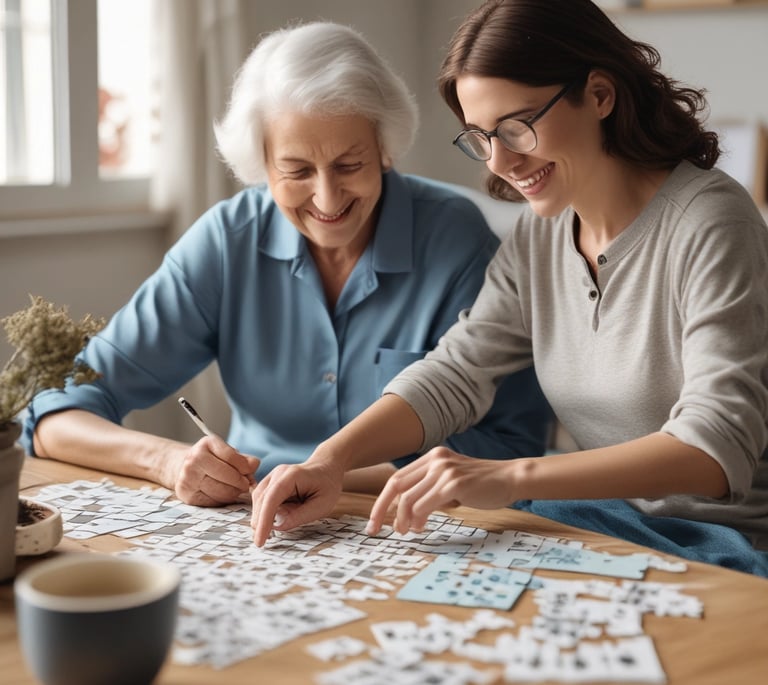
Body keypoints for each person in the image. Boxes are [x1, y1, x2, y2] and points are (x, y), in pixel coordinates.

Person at [250, 1, 768, 576]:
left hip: (725, 551)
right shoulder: (541, 231)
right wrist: (330, 460)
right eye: (481, 136)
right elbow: (456, 373)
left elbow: (715, 445)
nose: (501, 162)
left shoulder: (711, 221)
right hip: (606, 529)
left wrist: (509, 473)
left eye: (518, 126)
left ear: (599, 95)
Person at [22, 21, 551, 507]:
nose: (326, 196)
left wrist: (329, 474)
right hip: (252, 523)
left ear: (385, 148)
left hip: (419, 522)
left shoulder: (456, 239)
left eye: (350, 164)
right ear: (261, 165)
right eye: (296, 170)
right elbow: (53, 413)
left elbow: (507, 447)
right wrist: (169, 460)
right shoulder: (228, 241)